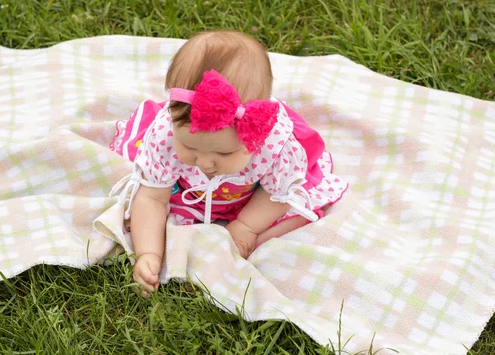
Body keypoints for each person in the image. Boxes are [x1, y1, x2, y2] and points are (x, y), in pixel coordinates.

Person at [109, 31, 348, 297]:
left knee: (293, 217)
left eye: (224, 154)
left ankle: (245, 234)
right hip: (189, 192)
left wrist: (247, 226)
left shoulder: (274, 147)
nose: (205, 162)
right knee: (142, 211)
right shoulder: (165, 136)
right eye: (189, 146)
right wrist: (148, 253)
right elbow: (152, 198)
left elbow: (276, 194)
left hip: (253, 197)